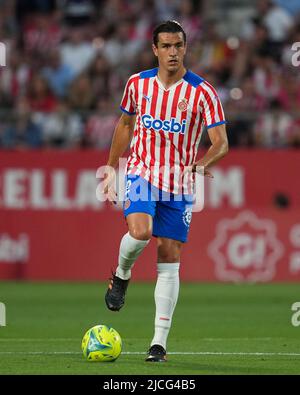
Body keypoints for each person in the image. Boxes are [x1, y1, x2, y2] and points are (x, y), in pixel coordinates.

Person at [103, 20, 228, 362]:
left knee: (170, 258)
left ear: (185, 48)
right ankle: (121, 274)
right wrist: (112, 168)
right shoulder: (137, 84)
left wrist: (201, 165)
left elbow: (221, 143)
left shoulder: (202, 92)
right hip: (142, 172)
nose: (174, 52)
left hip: (180, 183)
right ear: (155, 50)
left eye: (179, 46)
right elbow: (125, 123)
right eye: (167, 46)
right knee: (140, 232)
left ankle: (158, 343)